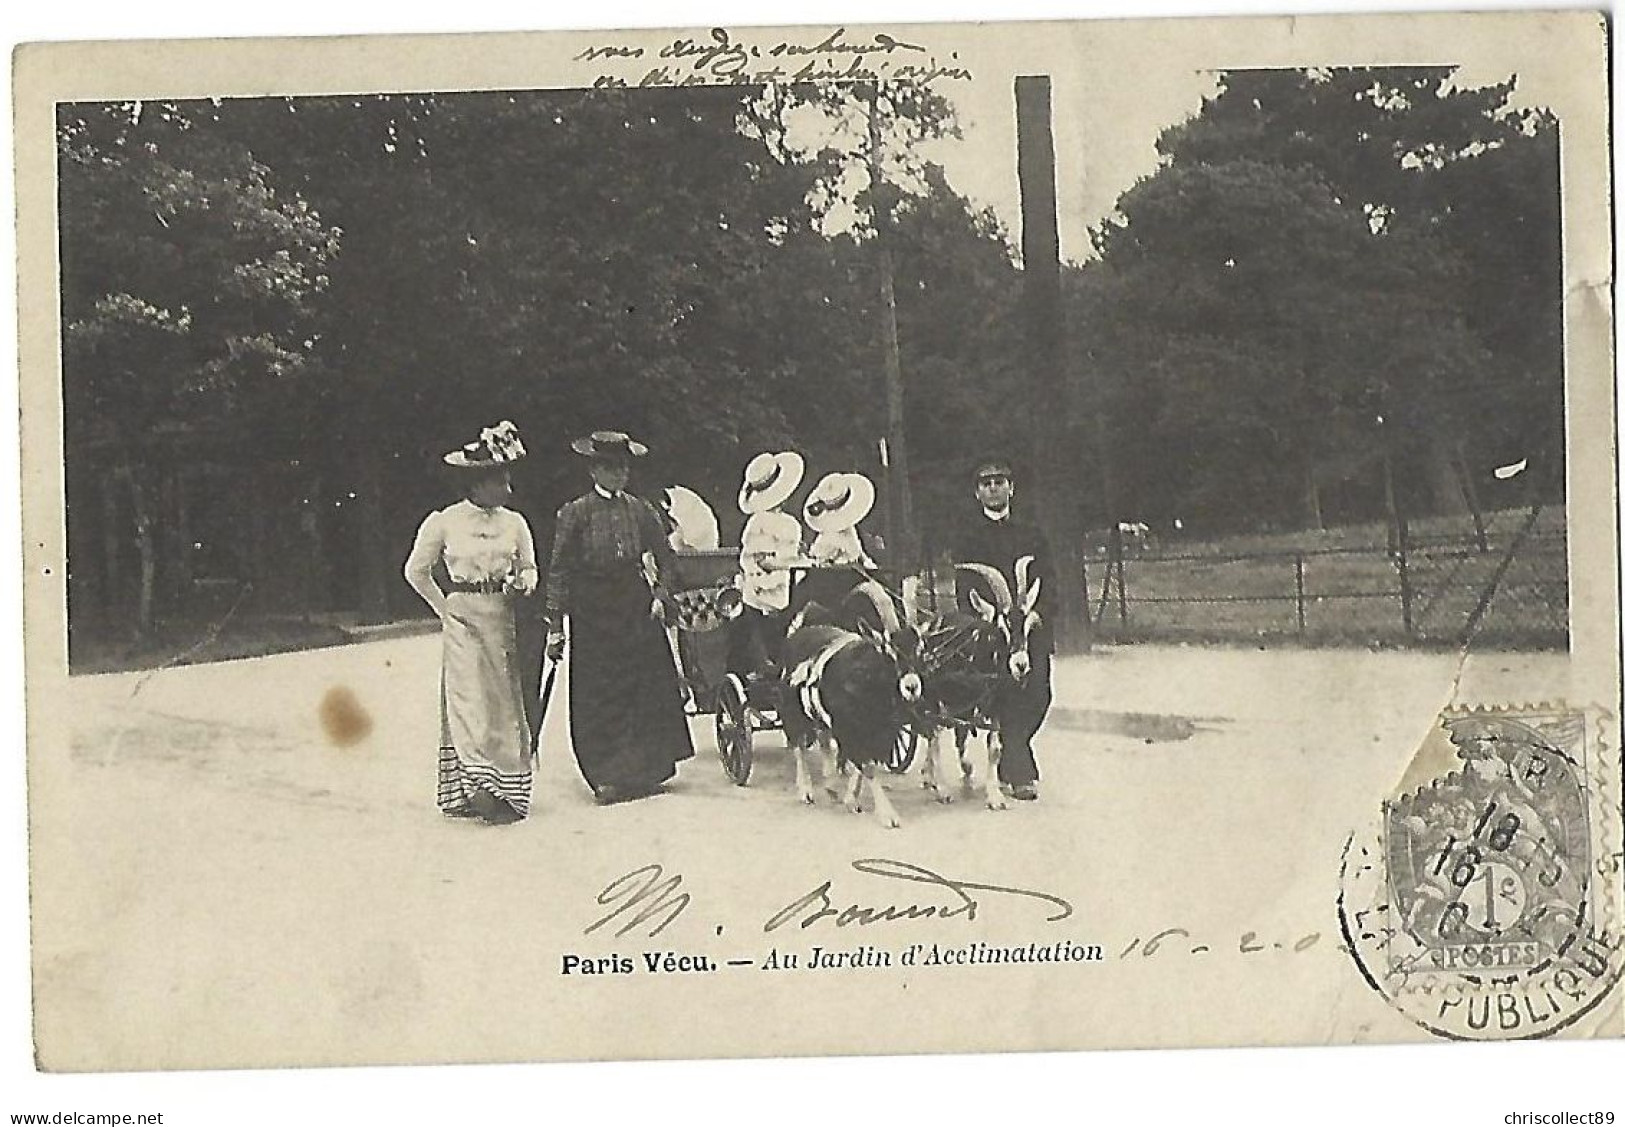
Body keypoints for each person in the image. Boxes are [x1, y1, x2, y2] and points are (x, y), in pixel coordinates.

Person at [545, 431, 694, 804]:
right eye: (610, 468)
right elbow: (560, 570)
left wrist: (660, 594)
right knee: (600, 693)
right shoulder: (574, 512)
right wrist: (556, 626)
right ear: (594, 470)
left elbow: (667, 558)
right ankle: (605, 776)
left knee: (643, 689)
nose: (619, 475)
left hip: (634, 602)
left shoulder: (641, 510)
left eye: (623, 468)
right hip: (592, 608)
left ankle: (644, 771)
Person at [403, 420, 537, 825]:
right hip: (463, 616)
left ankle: (506, 790)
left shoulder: (515, 522)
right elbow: (416, 571)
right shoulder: (444, 521)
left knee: (503, 703)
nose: (508, 490)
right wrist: (444, 609)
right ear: (477, 483)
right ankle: (477, 786)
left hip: (502, 615)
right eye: (501, 481)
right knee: (470, 701)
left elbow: (530, 567)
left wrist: (523, 583)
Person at [952, 455, 1053, 801]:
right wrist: (985, 618)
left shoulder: (1032, 533)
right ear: (977, 494)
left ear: (1011, 488)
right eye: (986, 484)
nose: (993, 489)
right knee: (1006, 695)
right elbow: (965, 586)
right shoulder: (967, 536)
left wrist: (1038, 615)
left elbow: (1047, 580)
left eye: (999, 483)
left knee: (1040, 694)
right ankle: (1019, 770)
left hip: (1029, 626)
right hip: (991, 629)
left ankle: (1015, 753)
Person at [730, 450, 805, 676]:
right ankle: (769, 668)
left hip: (776, 585)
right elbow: (756, 562)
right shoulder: (763, 524)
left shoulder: (777, 523)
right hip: (766, 590)